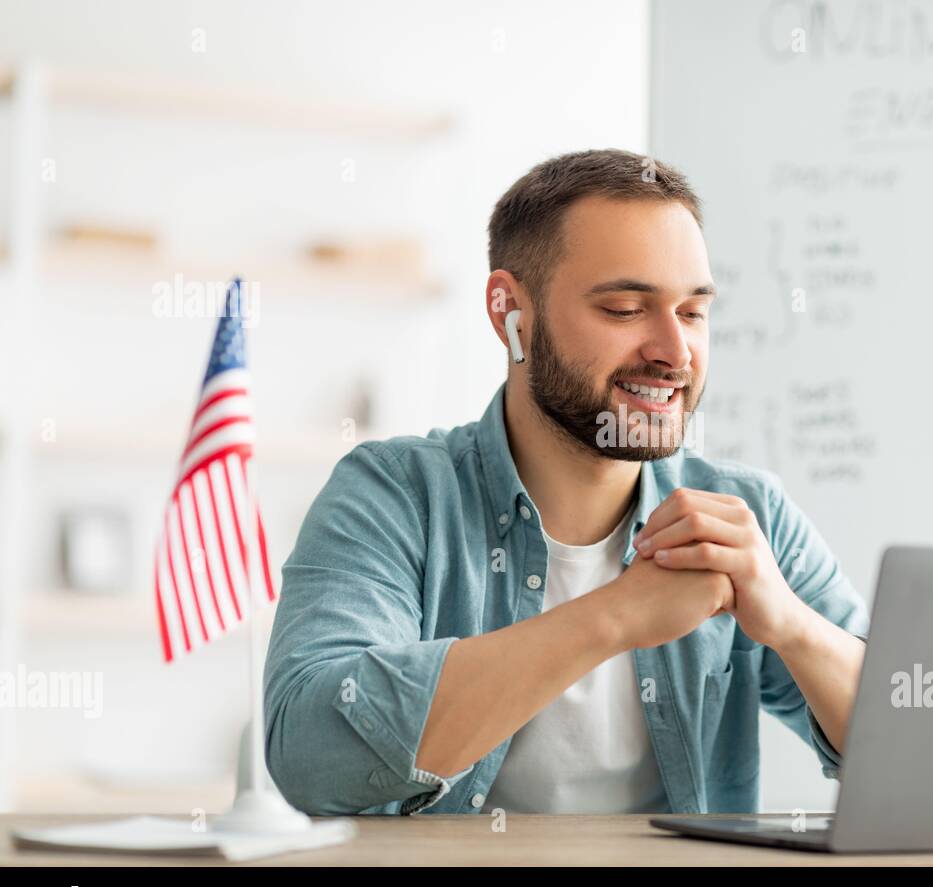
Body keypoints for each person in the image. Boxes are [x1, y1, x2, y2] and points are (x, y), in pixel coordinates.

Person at [263, 148, 869, 815]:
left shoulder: (748, 513)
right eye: (625, 309)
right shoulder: (396, 496)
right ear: (510, 314)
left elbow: (915, 748)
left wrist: (791, 627)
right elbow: (310, 752)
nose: (674, 351)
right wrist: (613, 617)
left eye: (693, 313)